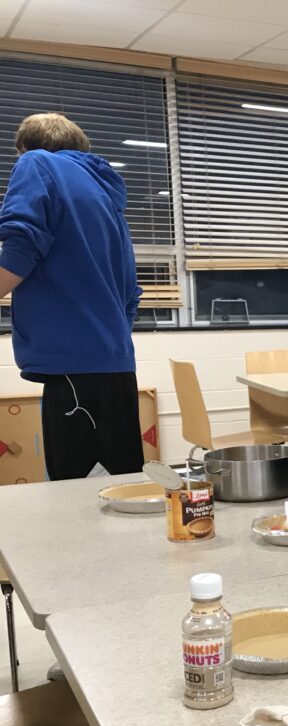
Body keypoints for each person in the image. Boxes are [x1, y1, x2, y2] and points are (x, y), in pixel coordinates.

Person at [0, 112, 143, 480]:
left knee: (71, 498)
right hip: (115, 364)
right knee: (125, 488)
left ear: (24, 149)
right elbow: (130, 291)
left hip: (72, 367)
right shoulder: (106, 196)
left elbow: (21, 247)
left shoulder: (36, 163)